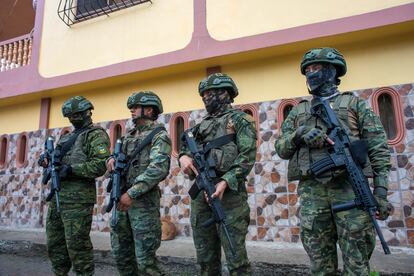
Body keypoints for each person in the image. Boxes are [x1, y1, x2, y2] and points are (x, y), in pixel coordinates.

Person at [275, 47, 392, 275]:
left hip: (351, 190)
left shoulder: (354, 105)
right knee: (320, 265)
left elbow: (378, 150)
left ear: (332, 71)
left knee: (357, 264)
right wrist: (299, 134)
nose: (311, 73)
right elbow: (281, 148)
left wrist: (381, 194)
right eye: (307, 69)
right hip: (312, 194)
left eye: (316, 68)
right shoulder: (299, 111)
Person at [179, 73, 257, 275]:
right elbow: (185, 145)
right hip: (201, 196)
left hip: (230, 197)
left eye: (210, 93)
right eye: (203, 94)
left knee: (236, 258)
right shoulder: (200, 126)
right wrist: (183, 157)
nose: (206, 98)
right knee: (205, 259)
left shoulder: (240, 120)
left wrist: (225, 182)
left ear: (225, 94)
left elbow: (247, 156)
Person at [38, 96, 110, 276]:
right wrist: (47, 160)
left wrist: (71, 170)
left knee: (77, 246)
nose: (73, 119)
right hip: (57, 198)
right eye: (70, 116)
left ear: (87, 113)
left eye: (77, 115)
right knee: (55, 244)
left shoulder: (95, 135)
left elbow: (101, 165)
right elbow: (56, 161)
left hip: (78, 202)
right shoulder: (66, 138)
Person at [106, 91, 171, 276]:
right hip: (121, 201)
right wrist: (110, 161)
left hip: (142, 204)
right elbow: (115, 158)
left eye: (135, 107)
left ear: (149, 110)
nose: (132, 111)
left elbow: (158, 169)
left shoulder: (160, 136)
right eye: (131, 108)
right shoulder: (128, 136)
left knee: (145, 262)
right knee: (122, 256)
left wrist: (131, 194)